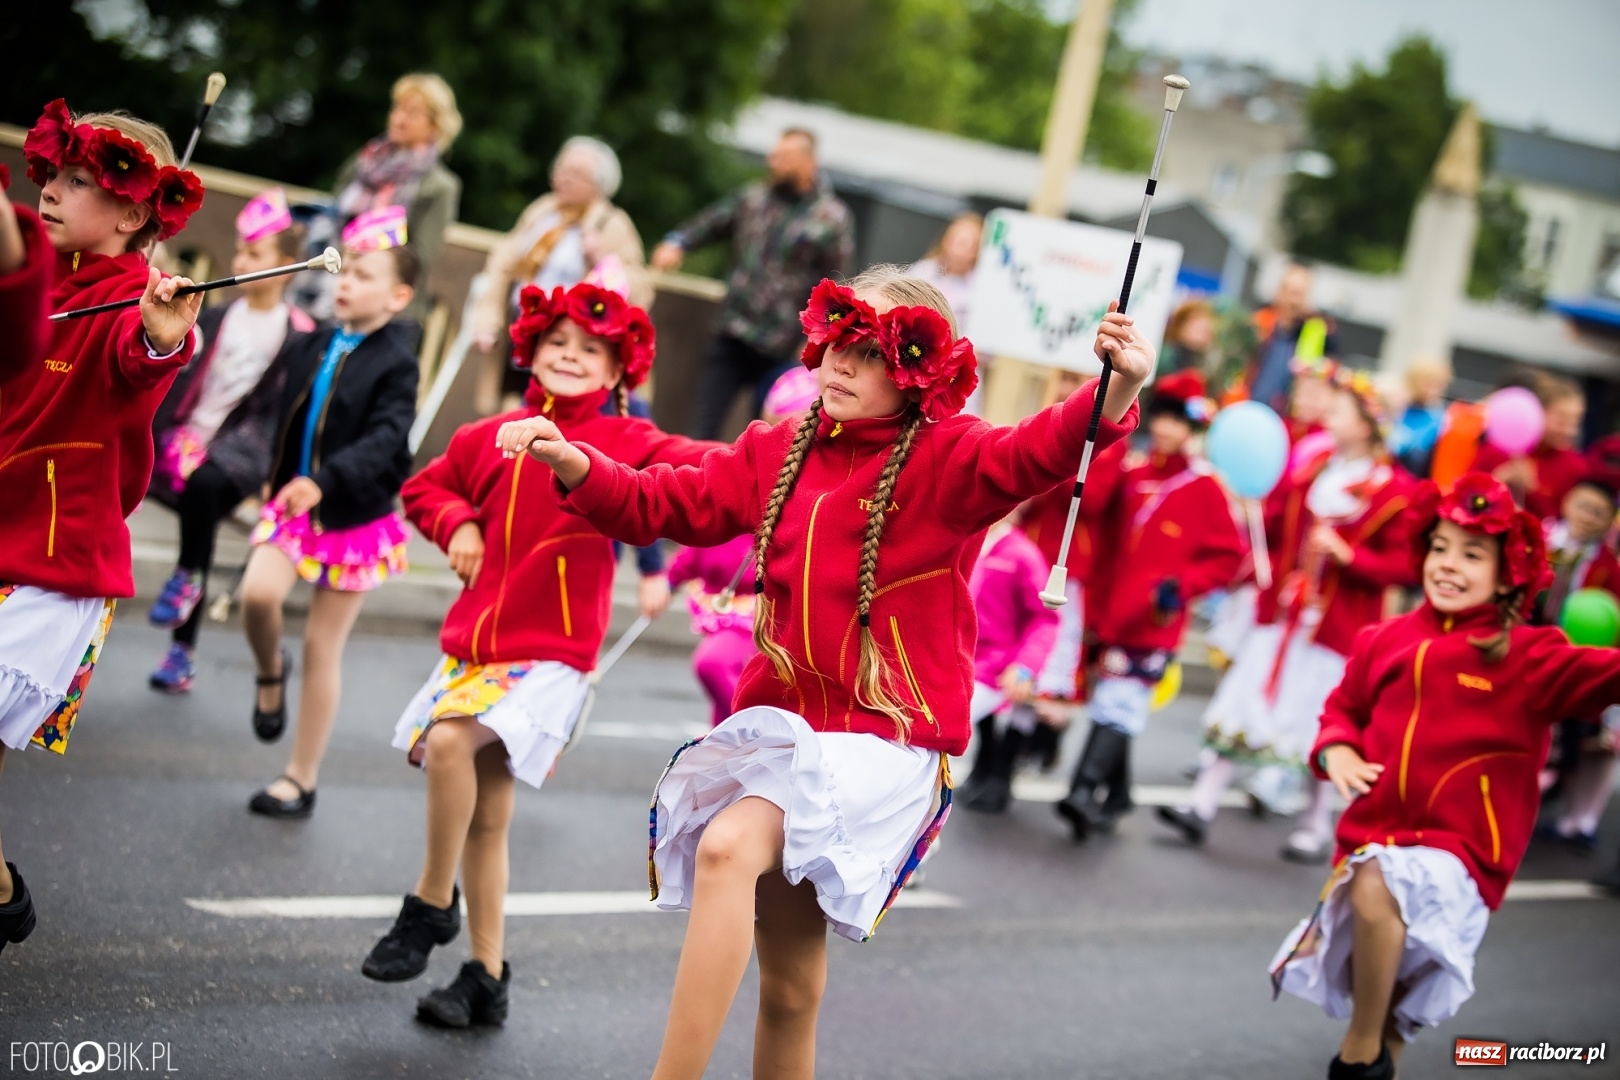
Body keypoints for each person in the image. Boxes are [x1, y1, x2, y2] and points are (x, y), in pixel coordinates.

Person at [495, 267, 1149, 1078]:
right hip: (786, 732)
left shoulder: (949, 459)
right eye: (837, 341)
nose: (839, 363)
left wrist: (1113, 392)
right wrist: (573, 461)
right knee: (792, 990)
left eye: (869, 352)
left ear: (916, 371)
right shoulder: (777, 447)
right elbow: (661, 502)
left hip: (887, 740)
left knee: (731, 846)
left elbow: (1037, 450)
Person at [364, 281, 714, 1027]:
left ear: (620, 372)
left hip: (552, 653)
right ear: (531, 349)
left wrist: (783, 446)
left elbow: (704, 468)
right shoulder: (487, 434)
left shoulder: (629, 443)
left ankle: (429, 904)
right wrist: (456, 521)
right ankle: (487, 977)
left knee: (450, 740)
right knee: (487, 816)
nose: (572, 357)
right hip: (475, 646)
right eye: (558, 343)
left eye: (592, 350)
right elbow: (428, 486)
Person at [1269, 473, 1620, 1079]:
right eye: (1440, 548)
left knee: (1381, 887)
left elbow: (1607, 675)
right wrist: (1337, 753)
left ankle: (1357, 1055)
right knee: (1391, 1002)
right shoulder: (1384, 639)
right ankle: (1377, 1055)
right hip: (1367, 840)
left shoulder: (1530, 655)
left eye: (1472, 554)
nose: (1448, 565)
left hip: (1461, 857)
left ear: (1508, 573)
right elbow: (1342, 711)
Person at [0, 99, 204, 953]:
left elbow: (143, 354)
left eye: (79, 182)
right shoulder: (27, 281)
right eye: (52, 175)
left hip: (53, 564)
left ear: (131, 211)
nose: (51, 192)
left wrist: (162, 340)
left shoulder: (134, 300)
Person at [1161, 368, 1413, 861]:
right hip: (1283, 615)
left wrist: (1349, 556)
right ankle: (1201, 804)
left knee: (1322, 720)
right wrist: (1246, 526)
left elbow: (1403, 564)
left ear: (1365, 425)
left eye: (1339, 411)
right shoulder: (1312, 472)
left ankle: (1316, 825)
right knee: (1244, 698)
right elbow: (1275, 530)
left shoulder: (1391, 491)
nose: (1328, 416)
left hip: (1332, 631)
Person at [240, 225, 420, 819]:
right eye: (348, 270)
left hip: (351, 514)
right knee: (257, 596)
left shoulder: (398, 362)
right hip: (293, 500)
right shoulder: (313, 342)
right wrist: (275, 472)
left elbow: (387, 440)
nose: (348, 282)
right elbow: (282, 412)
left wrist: (326, 480)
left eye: (367, 275)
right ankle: (271, 672)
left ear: (398, 297)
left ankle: (301, 777)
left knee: (323, 647)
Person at [1058, 371, 1244, 839]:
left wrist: (1180, 586)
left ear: (1193, 429)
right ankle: (1116, 795)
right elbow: (1104, 541)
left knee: (1119, 704)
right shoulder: (1134, 474)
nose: (1165, 428)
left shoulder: (1205, 487)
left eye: (1178, 421)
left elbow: (1229, 557)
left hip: (1156, 622)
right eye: (1162, 416)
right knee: (1111, 701)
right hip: (1113, 615)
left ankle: (1082, 791)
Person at [146, 189, 317, 692]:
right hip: (185, 440)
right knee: (196, 508)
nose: (242, 261)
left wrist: (279, 478)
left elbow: (284, 416)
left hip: (242, 454)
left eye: (256, 255)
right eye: (241, 250)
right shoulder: (214, 317)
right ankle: (182, 634)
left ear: (286, 268)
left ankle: (183, 621)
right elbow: (177, 380)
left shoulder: (299, 334)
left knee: (204, 489)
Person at [651, 128, 855, 439]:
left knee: (772, 435)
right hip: (733, 330)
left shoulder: (831, 218)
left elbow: (835, 284)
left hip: (783, 344)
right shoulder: (753, 199)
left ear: (808, 163)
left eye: (784, 158)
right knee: (701, 429)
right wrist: (676, 243)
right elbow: (710, 223)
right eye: (774, 156)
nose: (774, 164)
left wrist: (819, 339)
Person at [468, 136, 648, 411]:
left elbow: (638, 290)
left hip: (566, 335)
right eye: (562, 169)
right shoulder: (544, 209)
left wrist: (602, 258)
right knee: (514, 402)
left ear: (600, 187)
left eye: (577, 174)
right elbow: (504, 262)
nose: (565, 178)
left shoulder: (612, 224)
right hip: (524, 325)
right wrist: (487, 318)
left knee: (547, 406)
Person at [325, 73, 462, 320]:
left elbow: (419, 257)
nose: (399, 118)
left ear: (435, 125)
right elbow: (333, 217)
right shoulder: (363, 163)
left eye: (412, 113)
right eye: (397, 108)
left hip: (384, 307)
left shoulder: (439, 186)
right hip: (330, 285)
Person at [1534, 478, 1620, 851]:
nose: (1588, 517)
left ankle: (1573, 816)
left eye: (1598, 513)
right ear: (1567, 501)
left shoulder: (1605, 564)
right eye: (1583, 506)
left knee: (1574, 737)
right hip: (1533, 644)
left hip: (1574, 657)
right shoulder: (1541, 539)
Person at [957, 503, 1060, 814]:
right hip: (960, 658)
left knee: (941, 733)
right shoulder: (965, 540)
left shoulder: (1022, 556)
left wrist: (1026, 667)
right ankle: (982, 776)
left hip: (996, 667)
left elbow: (1045, 620)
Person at [1471, 372, 1589, 521]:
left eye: (1575, 422)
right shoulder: (1494, 450)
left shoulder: (1574, 467)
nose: (1570, 431)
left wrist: (1532, 491)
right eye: (1562, 420)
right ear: (1537, 412)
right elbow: (1466, 499)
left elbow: (1561, 522)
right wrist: (1496, 482)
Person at [1239, 263, 1340, 413]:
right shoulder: (1258, 322)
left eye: (1301, 294)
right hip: (1247, 404)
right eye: (1292, 292)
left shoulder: (1318, 333)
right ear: (1279, 292)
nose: (1295, 301)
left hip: (1288, 415)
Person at [907, 211, 981, 328]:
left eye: (965, 244)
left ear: (977, 250)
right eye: (954, 240)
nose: (957, 249)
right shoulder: (923, 270)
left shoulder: (979, 287)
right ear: (945, 241)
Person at [1387, 358, 1451, 478]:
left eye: (1439, 385)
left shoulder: (1439, 417)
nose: (1434, 390)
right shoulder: (1397, 406)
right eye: (1429, 383)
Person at [1160, 299, 1217, 374]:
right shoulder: (1166, 355)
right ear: (1181, 326)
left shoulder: (1198, 361)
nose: (1203, 336)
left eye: (1206, 331)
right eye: (1198, 329)